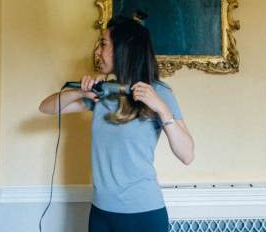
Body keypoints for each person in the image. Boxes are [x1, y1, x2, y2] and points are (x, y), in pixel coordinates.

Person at [39, 15, 194, 232]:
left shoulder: (160, 93)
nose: (97, 52)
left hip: (144, 214)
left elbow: (187, 155)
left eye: (103, 44)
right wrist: (79, 92)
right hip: (101, 213)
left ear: (123, 49)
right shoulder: (104, 92)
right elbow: (46, 108)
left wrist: (161, 107)